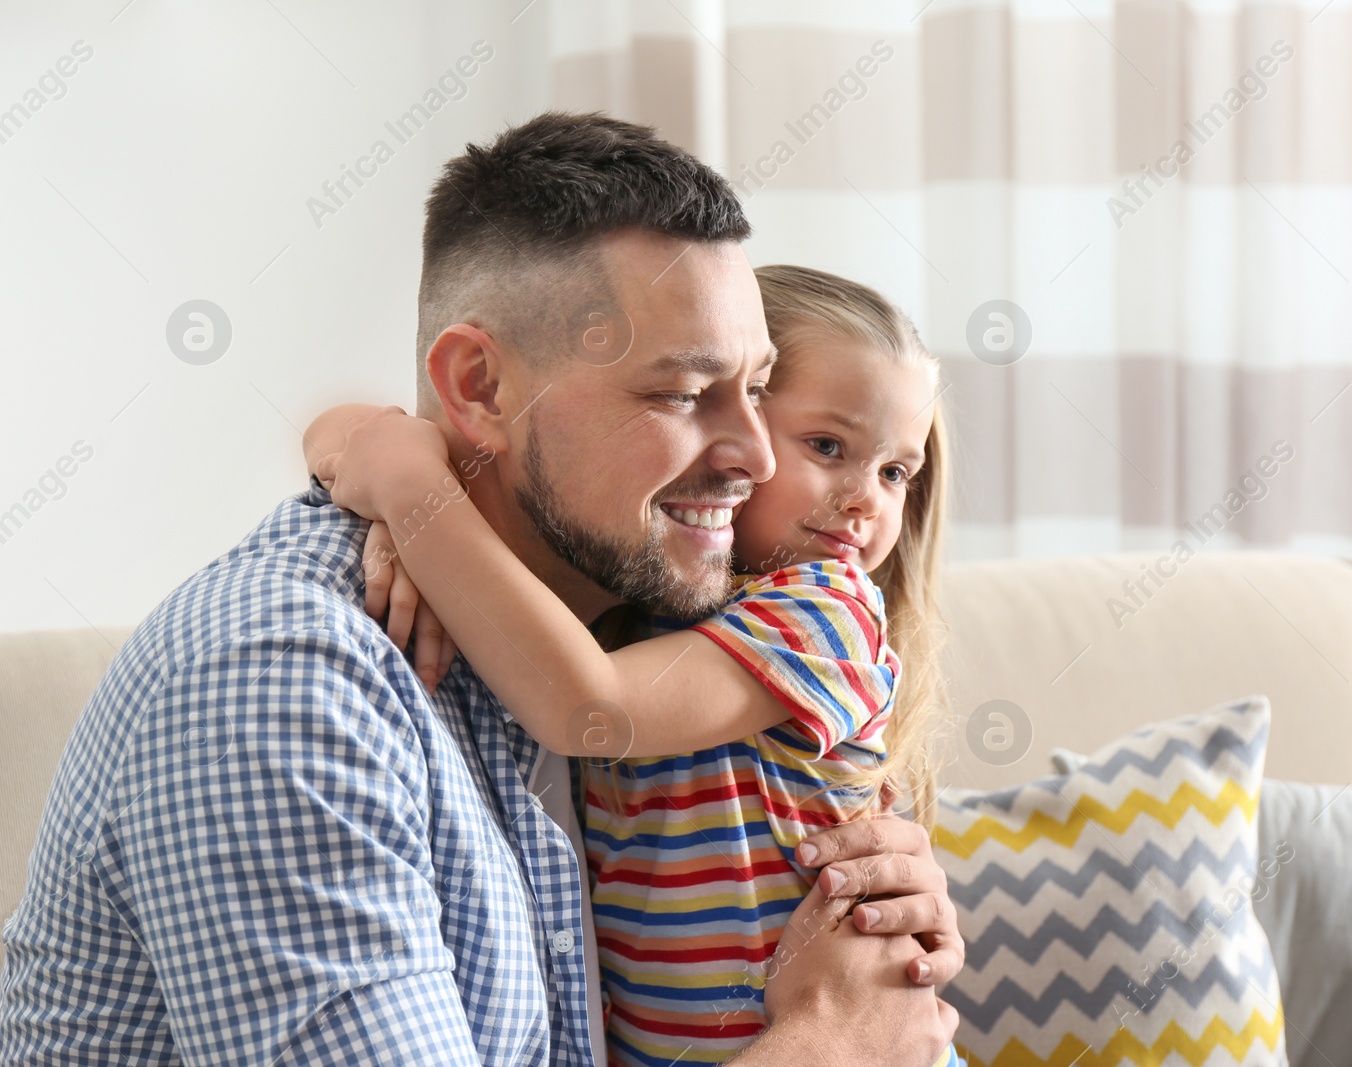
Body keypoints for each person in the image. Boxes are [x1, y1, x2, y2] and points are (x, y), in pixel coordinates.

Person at [0, 113, 961, 1066]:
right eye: (680, 393)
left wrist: (883, 903)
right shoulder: (285, 686)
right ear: (481, 387)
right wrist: (832, 1043)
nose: (754, 455)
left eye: (756, 389)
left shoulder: (619, 610)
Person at [302, 263, 957, 1066]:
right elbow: (338, 429)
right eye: (827, 446)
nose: (867, 499)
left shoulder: (827, 611)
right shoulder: (645, 586)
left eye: (897, 471)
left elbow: (590, 706)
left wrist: (411, 493)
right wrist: (386, 455)